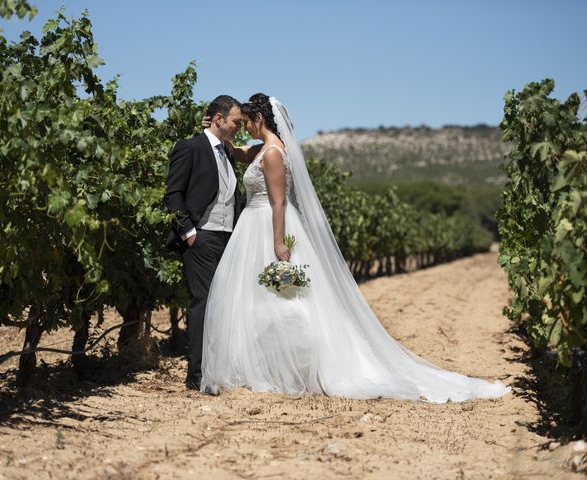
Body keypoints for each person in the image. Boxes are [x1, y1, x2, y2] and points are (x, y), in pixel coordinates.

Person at [199, 93, 511, 402]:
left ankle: (288, 365)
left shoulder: (271, 154)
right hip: (253, 224)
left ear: (260, 120)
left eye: (247, 123)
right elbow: (239, 151)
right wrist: (215, 134)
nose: (244, 129)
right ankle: (268, 364)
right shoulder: (261, 149)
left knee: (279, 298)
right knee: (262, 298)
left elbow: (279, 201)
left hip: (268, 224)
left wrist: (278, 242)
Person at [164, 95, 245, 390]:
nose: (239, 127)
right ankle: (196, 376)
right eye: (236, 122)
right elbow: (174, 193)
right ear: (219, 119)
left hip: (228, 238)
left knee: (222, 304)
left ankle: (215, 369)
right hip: (201, 237)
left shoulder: (228, 151)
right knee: (204, 302)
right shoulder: (190, 147)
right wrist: (188, 232)